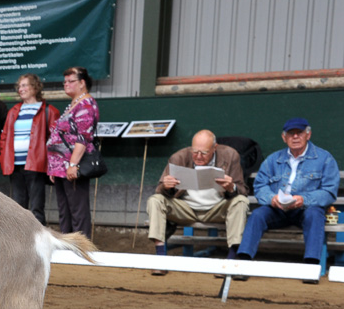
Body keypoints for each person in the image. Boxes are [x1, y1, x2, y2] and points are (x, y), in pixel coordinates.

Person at [237, 118, 340, 276]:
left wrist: (303, 199)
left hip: (305, 209)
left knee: (315, 214)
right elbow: (259, 186)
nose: (295, 137)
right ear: (284, 138)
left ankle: (311, 267)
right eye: (291, 134)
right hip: (277, 209)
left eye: (300, 133)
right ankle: (242, 263)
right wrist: (271, 198)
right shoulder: (273, 159)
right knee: (257, 214)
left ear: (308, 135)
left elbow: (329, 191)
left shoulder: (325, 158)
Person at [146, 129, 249, 276]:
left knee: (241, 201)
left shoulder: (230, 155)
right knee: (155, 200)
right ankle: (161, 259)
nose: (198, 157)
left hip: (217, 208)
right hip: (185, 209)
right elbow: (160, 191)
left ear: (215, 148)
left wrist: (231, 187)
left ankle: (231, 261)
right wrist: (165, 186)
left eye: (204, 153)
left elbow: (242, 190)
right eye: (195, 152)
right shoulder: (179, 157)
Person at [46, 66, 99, 239]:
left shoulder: (86, 105)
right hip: (61, 168)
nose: (66, 84)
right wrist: (54, 167)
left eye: (71, 81)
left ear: (82, 83)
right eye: (65, 81)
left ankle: (81, 250)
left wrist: (73, 165)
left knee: (78, 210)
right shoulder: (73, 104)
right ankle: (68, 247)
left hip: (73, 167)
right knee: (65, 210)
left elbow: (83, 138)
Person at [0, 74, 58, 224]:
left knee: (37, 207)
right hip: (15, 164)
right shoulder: (14, 111)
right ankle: (20, 242)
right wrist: (3, 158)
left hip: (36, 165)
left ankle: (40, 242)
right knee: (18, 207)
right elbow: (4, 136)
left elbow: (55, 140)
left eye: (25, 85)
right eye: (19, 86)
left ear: (35, 87)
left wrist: (52, 166)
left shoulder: (48, 110)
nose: (21, 89)